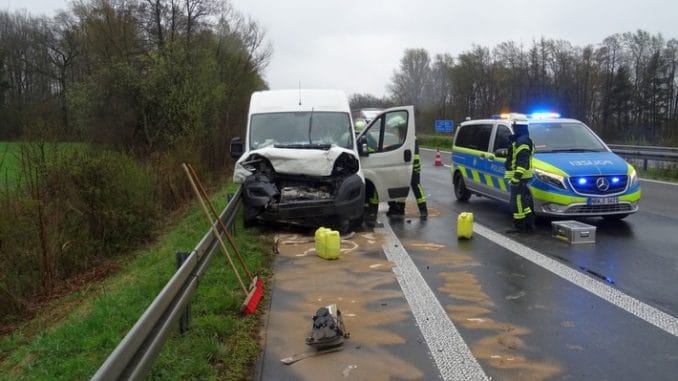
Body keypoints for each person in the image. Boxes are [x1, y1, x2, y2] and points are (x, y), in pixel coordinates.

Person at [504, 118, 535, 233]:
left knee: (516, 201)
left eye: (514, 127)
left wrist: (516, 177)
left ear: (519, 128)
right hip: (522, 177)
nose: (513, 129)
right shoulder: (522, 140)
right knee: (522, 200)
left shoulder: (522, 141)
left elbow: (522, 161)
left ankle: (519, 226)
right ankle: (529, 223)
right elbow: (516, 155)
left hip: (520, 177)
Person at [387, 138, 428, 219]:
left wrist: (415, 166)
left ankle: (423, 210)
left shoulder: (412, 138)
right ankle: (400, 209)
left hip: (413, 167)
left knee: (416, 187)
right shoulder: (402, 137)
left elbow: (415, 155)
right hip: (404, 166)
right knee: (402, 186)